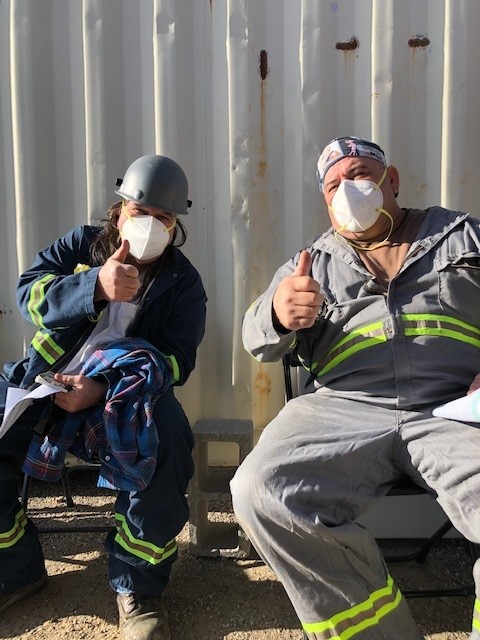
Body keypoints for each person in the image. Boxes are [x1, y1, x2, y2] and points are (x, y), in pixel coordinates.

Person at [231, 136, 480, 640]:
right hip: (343, 407)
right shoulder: (313, 262)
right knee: (261, 489)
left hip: (454, 406)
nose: (348, 188)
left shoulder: (462, 234)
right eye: (333, 184)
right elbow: (256, 339)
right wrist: (279, 314)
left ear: (391, 181)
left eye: (360, 174)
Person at [0, 154, 207, 640]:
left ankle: (137, 588)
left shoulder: (183, 284)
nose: (151, 224)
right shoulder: (81, 246)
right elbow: (27, 295)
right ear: (119, 211)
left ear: (176, 226)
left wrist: (104, 389)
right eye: (141, 210)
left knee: (169, 440)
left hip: (120, 400)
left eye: (164, 218)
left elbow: (178, 362)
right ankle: (16, 571)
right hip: (42, 381)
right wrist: (92, 286)